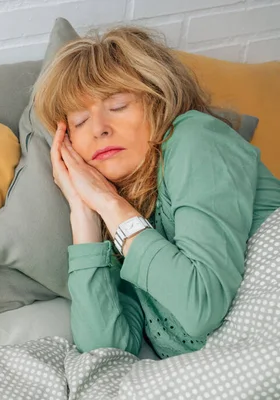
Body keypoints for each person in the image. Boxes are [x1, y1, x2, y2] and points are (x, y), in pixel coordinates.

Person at [33, 26, 280, 359]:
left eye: (117, 105)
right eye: (78, 121)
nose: (99, 128)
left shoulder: (196, 140)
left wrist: (109, 204)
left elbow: (200, 306)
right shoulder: (123, 215)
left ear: (159, 101)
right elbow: (105, 352)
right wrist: (83, 213)